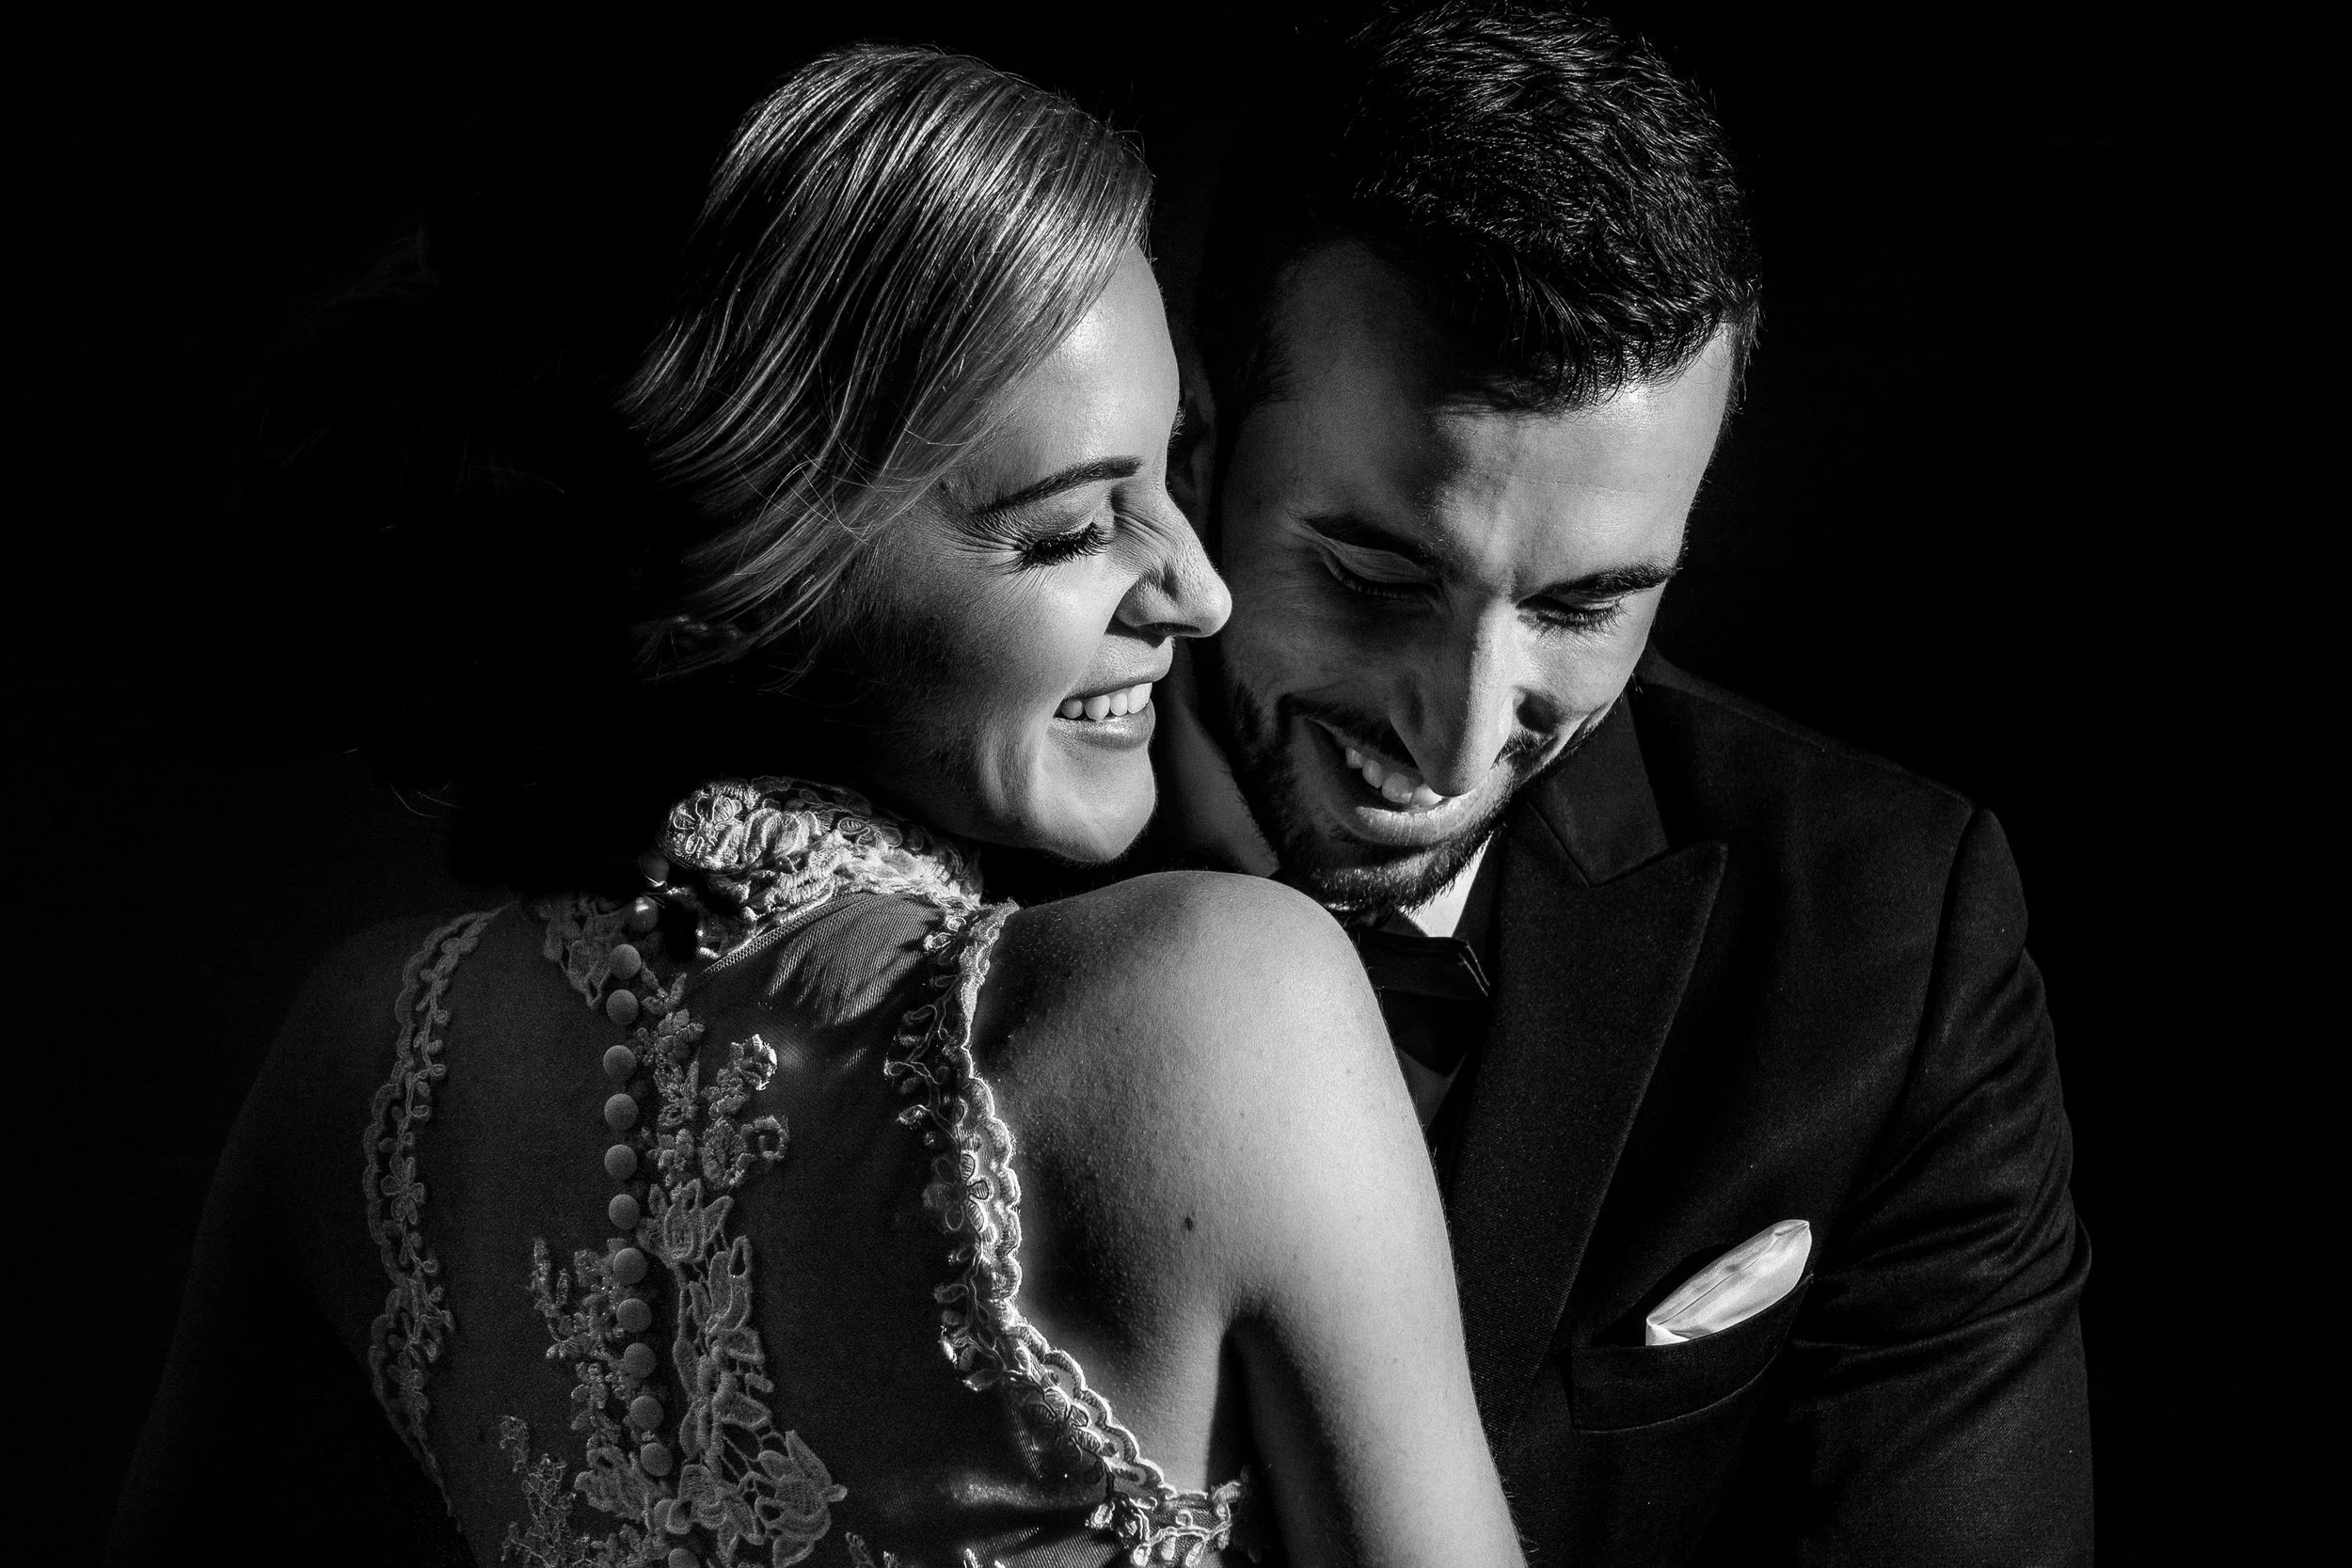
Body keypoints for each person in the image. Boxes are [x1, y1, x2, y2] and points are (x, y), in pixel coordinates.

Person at [106, 46, 1524, 1568]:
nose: (1197, 587)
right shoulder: (1219, 1005)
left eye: (1173, 468)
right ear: (739, 589)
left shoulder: (366, 1065)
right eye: (1066, 529)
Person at [1147, 4, 2096, 1562]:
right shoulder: (887, 881)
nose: (1457, 740)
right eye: (1374, 575)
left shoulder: (1883, 947)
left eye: (1584, 607)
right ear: (1197, 449)